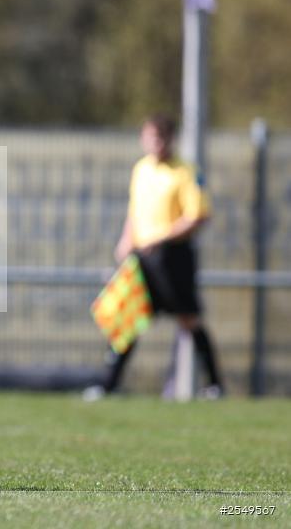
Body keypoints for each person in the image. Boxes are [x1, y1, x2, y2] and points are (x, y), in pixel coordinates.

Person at [84, 114, 224, 401]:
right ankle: (107, 385)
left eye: (161, 138)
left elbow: (197, 216)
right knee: (127, 319)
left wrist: (160, 238)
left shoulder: (185, 172)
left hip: (173, 257)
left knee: (189, 319)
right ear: (143, 138)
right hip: (141, 257)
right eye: (151, 137)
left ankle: (214, 385)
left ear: (171, 139)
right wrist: (126, 239)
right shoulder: (141, 170)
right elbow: (135, 211)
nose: (156, 144)